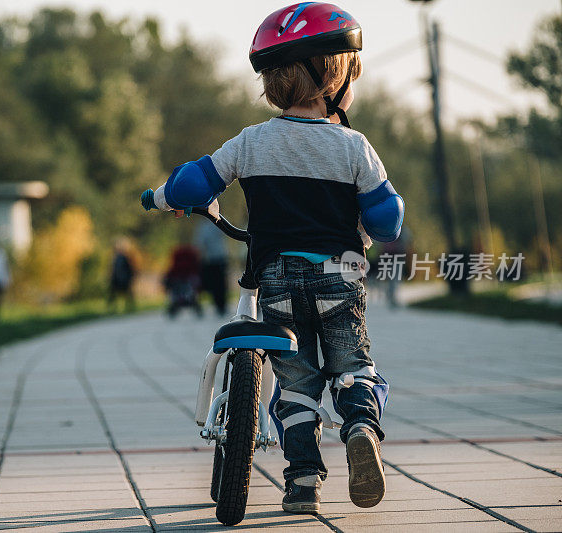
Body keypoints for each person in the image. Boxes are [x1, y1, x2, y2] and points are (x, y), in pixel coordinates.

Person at [141, 3, 404, 514]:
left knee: (296, 383)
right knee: (353, 367)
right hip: (339, 276)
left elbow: (194, 183)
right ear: (334, 77)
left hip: (277, 281)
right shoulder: (354, 146)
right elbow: (385, 222)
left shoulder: (251, 142)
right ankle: (360, 429)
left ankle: (303, 482)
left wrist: (160, 197)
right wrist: (386, 205)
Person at [194, 219, 229, 315]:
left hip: (216, 258)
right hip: (212, 258)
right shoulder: (206, 226)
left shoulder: (205, 226)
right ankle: (219, 305)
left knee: (218, 284)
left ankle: (221, 305)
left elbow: (200, 243)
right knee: (217, 284)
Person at [163, 244, 203, 318]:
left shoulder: (189, 269)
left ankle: (180, 302)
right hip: (181, 280)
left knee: (189, 287)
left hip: (186, 280)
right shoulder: (177, 269)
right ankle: (180, 302)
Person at [108, 239, 136, 312]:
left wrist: (129, 277)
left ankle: (129, 307)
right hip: (118, 278)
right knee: (114, 293)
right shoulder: (115, 258)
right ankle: (112, 307)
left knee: (126, 293)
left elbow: (130, 268)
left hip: (123, 278)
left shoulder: (123, 258)